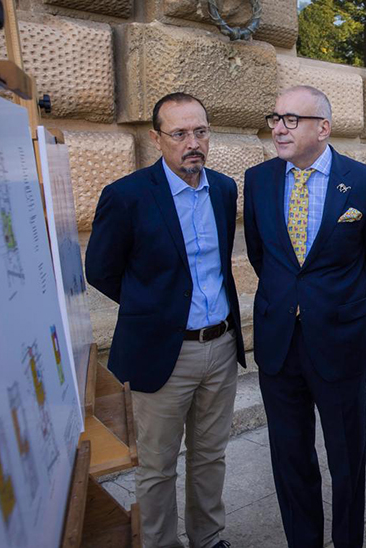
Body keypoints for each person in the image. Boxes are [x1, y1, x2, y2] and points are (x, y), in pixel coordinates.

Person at [86, 92, 245, 548]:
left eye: (200, 131)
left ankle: (208, 537)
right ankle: (158, 543)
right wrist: (153, 308)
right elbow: (99, 270)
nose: (192, 142)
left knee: (211, 455)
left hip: (220, 347)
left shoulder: (223, 188)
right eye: (179, 134)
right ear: (157, 138)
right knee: (156, 466)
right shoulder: (127, 196)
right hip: (162, 354)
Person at [243, 85, 366, 548]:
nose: (278, 128)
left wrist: (335, 305)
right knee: (290, 457)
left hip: (340, 342)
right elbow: (261, 255)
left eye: (291, 119)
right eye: (275, 118)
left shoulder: (365, 182)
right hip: (279, 341)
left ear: (322, 128)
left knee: (347, 459)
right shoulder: (259, 178)